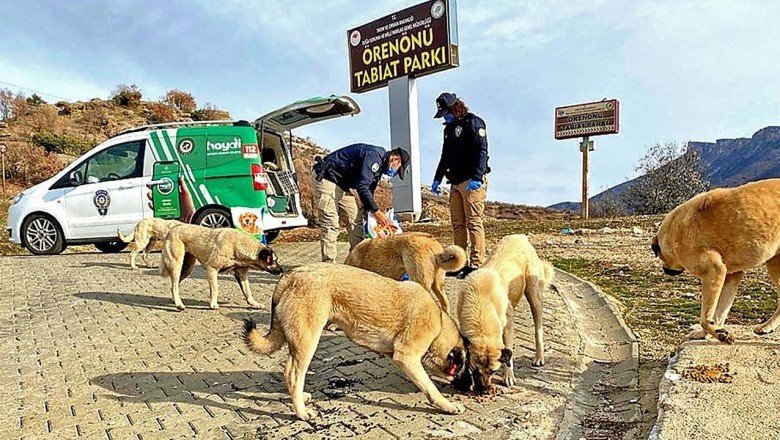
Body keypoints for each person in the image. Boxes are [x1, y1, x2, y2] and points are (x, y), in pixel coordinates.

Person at [313, 143, 410, 263]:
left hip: (343, 185)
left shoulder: (380, 168)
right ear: (395, 158)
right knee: (330, 223)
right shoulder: (374, 156)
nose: (395, 173)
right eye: (397, 169)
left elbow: (369, 191)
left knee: (355, 221)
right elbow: (362, 187)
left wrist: (373, 214)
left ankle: (357, 262)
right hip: (326, 178)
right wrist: (377, 212)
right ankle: (329, 265)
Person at [431, 92, 490, 278]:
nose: (445, 117)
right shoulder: (448, 130)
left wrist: (478, 177)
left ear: (455, 108)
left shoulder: (473, 122)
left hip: (471, 181)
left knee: (473, 222)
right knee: (457, 224)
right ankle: (459, 263)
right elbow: (445, 156)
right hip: (455, 182)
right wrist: (437, 178)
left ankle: (476, 264)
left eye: (447, 113)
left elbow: (482, 150)